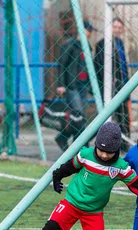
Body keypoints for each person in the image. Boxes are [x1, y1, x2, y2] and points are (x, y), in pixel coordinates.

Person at [54, 19, 96, 151]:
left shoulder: (87, 46)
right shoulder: (70, 45)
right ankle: (81, 146)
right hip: (72, 85)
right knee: (79, 116)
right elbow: (62, 65)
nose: (90, 33)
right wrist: (61, 84)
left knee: (78, 117)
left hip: (83, 85)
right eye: (88, 30)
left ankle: (64, 138)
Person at [94, 17, 131, 151]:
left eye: (119, 28)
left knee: (124, 116)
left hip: (122, 86)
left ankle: (124, 144)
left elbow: (123, 66)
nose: (117, 30)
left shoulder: (120, 43)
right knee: (106, 117)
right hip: (109, 87)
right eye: (114, 27)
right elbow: (98, 67)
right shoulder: (102, 44)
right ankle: (103, 143)